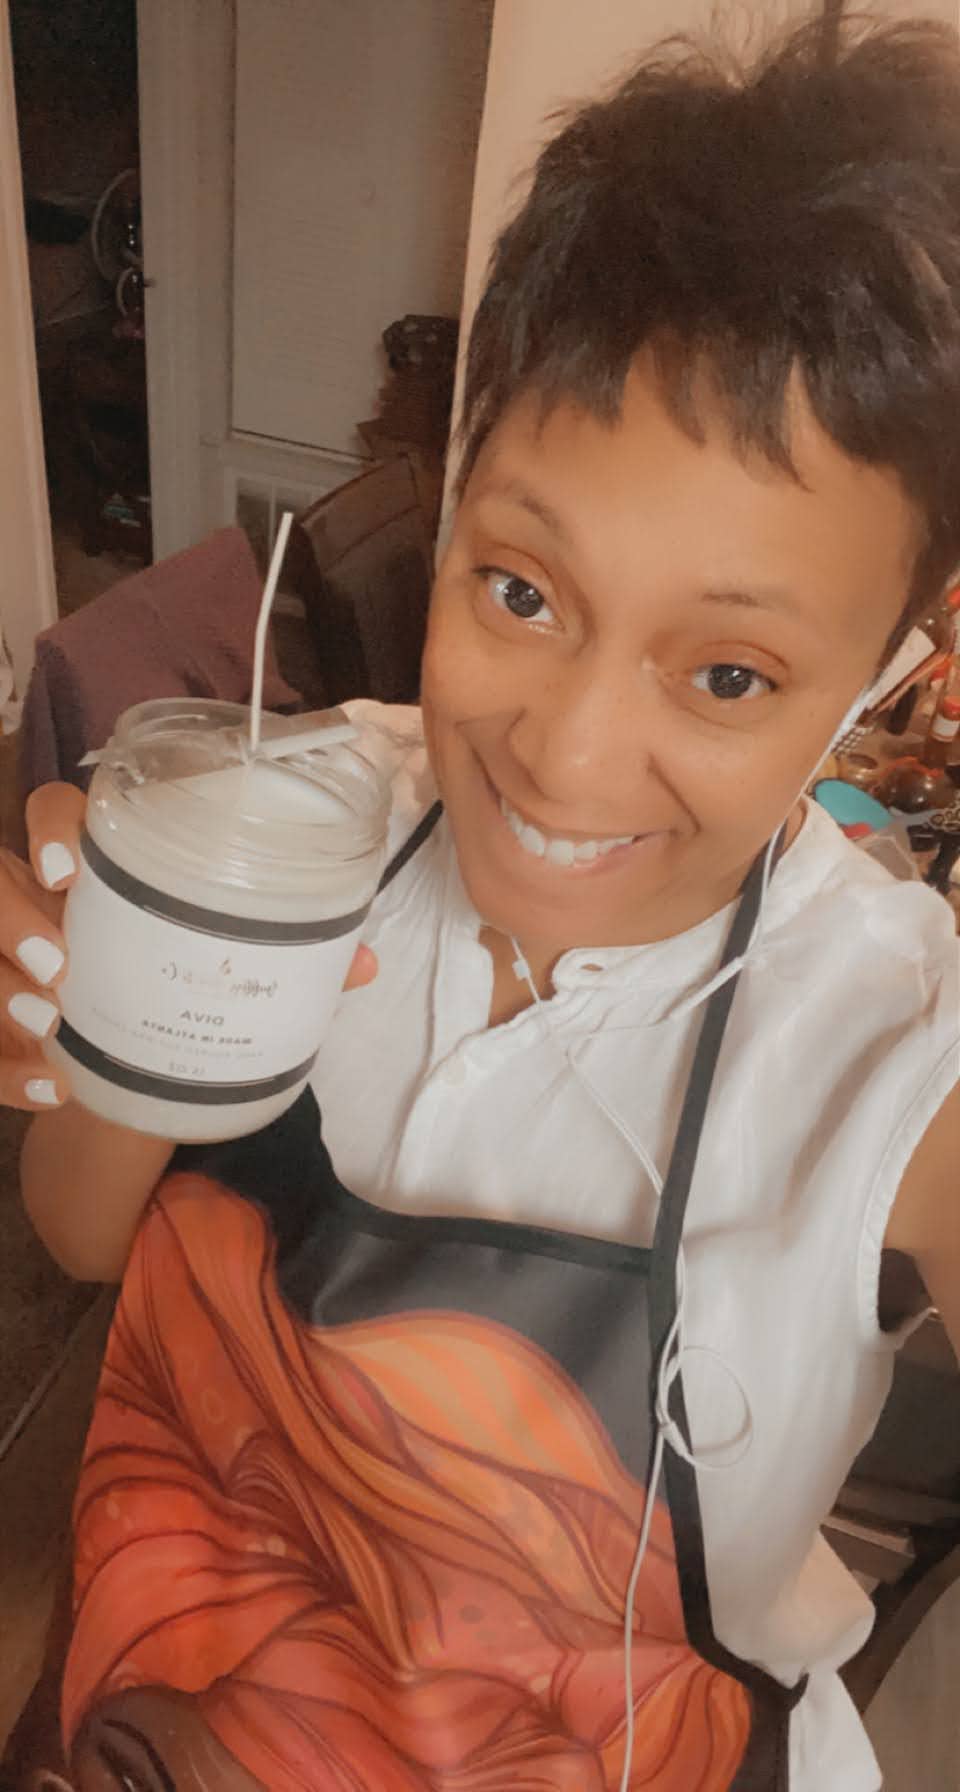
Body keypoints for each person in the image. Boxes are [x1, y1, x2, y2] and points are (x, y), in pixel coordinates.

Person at [5, 12, 960, 1790]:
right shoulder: (305, 815)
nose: (564, 760)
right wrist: (98, 997)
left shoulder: (895, 1053)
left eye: (729, 676)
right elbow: (77, 1238)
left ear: (883, 676)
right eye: (520, 590)